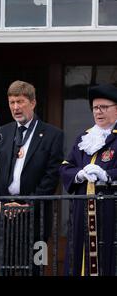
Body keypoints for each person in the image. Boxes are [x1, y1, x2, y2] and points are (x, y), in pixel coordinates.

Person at [0, 80, 64, 274]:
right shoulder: (2, 132)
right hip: (5, 213)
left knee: (35, 267)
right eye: (11, 102)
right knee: (5, 267)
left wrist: (28, 203)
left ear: (33, 103)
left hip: (36, 215)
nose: (15, 107)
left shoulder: (52, 135)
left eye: (20, 101)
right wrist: (0, 202)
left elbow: (52, 176)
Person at [60, 83, 117, 276]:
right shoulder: (84, 138)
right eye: (95, 108)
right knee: (79, 254)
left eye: (104, 107)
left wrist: (107, 175)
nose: (98, 112)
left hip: (110, 212)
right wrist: (79, 174)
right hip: (82, 212)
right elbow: (65, 167)